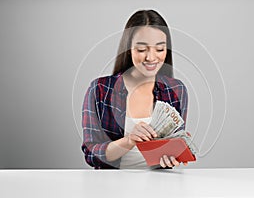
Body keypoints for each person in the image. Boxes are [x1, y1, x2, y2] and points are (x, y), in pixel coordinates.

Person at [81, 9, 188, 169]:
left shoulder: (176, 90)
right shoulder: (100, 90)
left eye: (159, 49)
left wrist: (175, 153)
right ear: (128, 48)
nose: (151, 57)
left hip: (161, 184)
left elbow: (173, 148)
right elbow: (91, 154)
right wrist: (129, 141)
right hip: (111, 186)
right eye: (141, 49)